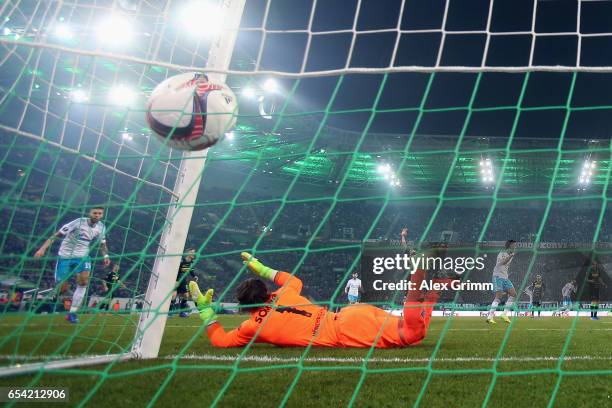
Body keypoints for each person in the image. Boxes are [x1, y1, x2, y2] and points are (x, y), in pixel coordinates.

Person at [189, 252, 456, 348]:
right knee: (414, 331)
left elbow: (221, 341)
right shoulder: (286, 292)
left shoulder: (252, 327)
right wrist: (259, 267)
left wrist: (205, 312)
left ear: (246, 308)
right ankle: (429, 288)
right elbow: (289, 279)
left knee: (412, 333)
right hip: (352, 314)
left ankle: (419, 276)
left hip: (345, 330)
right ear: (267, 292)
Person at [34, 207, 110, 323]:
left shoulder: (101, 227)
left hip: (82, 256)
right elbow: (56, 235)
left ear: (102, 215)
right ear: (89, 213)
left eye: (99, 213)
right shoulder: (78, 222)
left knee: (84, 282)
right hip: (65, 256)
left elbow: (102, 244)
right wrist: (42, 249)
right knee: (63, 288)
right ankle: (52, 296)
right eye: (94, 213)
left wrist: (105, 256)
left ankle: (72, 314)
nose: (97, 215)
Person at [486, 240, 517, 325]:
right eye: (514, 245)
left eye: (516, 245)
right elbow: (502, 263)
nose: (515, 247)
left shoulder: (510, 254)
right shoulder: (502, 253)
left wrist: (511, 256)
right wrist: (510, 256)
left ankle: (504, 314)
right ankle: (490, 317)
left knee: (513, 294)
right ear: (509, 245)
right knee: (498, 296)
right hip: (497, 276)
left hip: (505, 277)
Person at [171, 248, 197, 318]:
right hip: (176, 280)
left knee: (186, 295)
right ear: (187, 253)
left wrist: (194, 276)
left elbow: (191, 270)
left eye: (194, 252)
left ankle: (182, 313)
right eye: (192, 252)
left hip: (183, 281)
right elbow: (175, 269)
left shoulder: (192, 261)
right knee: (173, 296)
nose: (193, 254)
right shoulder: (181, 260)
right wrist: (175, 280)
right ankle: (170, 312)